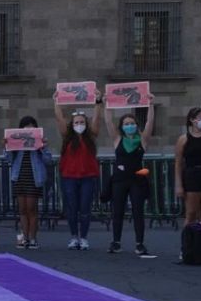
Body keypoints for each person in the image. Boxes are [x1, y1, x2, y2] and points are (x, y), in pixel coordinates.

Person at [102, 106, 156, 255]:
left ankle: (139, 243)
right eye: (126, 124)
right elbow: (108, 122)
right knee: (117, 211)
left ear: (136, 125)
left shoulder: (143, 140)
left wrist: (150, 105)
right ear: (122, 127)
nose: (129, 126)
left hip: (137, 180)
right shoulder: (117, 139)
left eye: (132, 123)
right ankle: (116, 242)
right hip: (119, 180)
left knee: (138, 211)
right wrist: (107, 105)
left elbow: (150, 122)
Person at [53, 98, 103, 250]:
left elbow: (96, 119)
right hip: (69, 177)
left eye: (81, 122)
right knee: (72, 208)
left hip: (87, 177)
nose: (79, 125)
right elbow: (59, 118)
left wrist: (98, 103)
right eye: (76, 122)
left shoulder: (91, 137)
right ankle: (74, 237)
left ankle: (84, 238)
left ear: (86, 124)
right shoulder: (67, 138)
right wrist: (56, 101)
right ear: (72, 125)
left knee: (85, 209)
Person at [7, 115, 52, 249]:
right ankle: (24, 237)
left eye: (31, 128)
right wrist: (8, 146)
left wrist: (42, 148)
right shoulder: (17, 145)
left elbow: (48, 160)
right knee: (22, 209)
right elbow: (8, 159)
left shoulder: (40, 143)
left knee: (32, 209)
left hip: (34, 177)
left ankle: (33, 238)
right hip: (19, 176)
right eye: (26, 128)